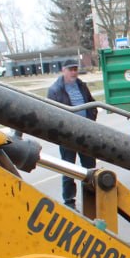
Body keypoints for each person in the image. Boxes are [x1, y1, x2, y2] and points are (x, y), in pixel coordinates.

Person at [46, 59, 98, 208]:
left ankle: (92, 199)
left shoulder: (82, 86)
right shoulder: (55, 90)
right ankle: (69, 202)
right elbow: (51, 114)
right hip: (67, 136)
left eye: (75, 69)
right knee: (69, 169)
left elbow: (92, 104)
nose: (74, 72)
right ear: (64, 70)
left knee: (90, 169)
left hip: (86, 134)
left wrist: (90, 121)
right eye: (71, 70)